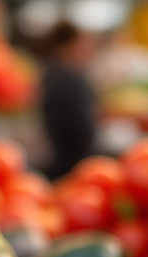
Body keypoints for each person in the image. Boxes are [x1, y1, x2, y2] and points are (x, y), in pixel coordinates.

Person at [39, 21, 100, 181]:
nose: (88, 50)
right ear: (69, 45)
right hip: (76, 166)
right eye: (83, 44)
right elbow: (83, 128)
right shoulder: (73, 80)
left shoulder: (49, 75)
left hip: (57, 164)